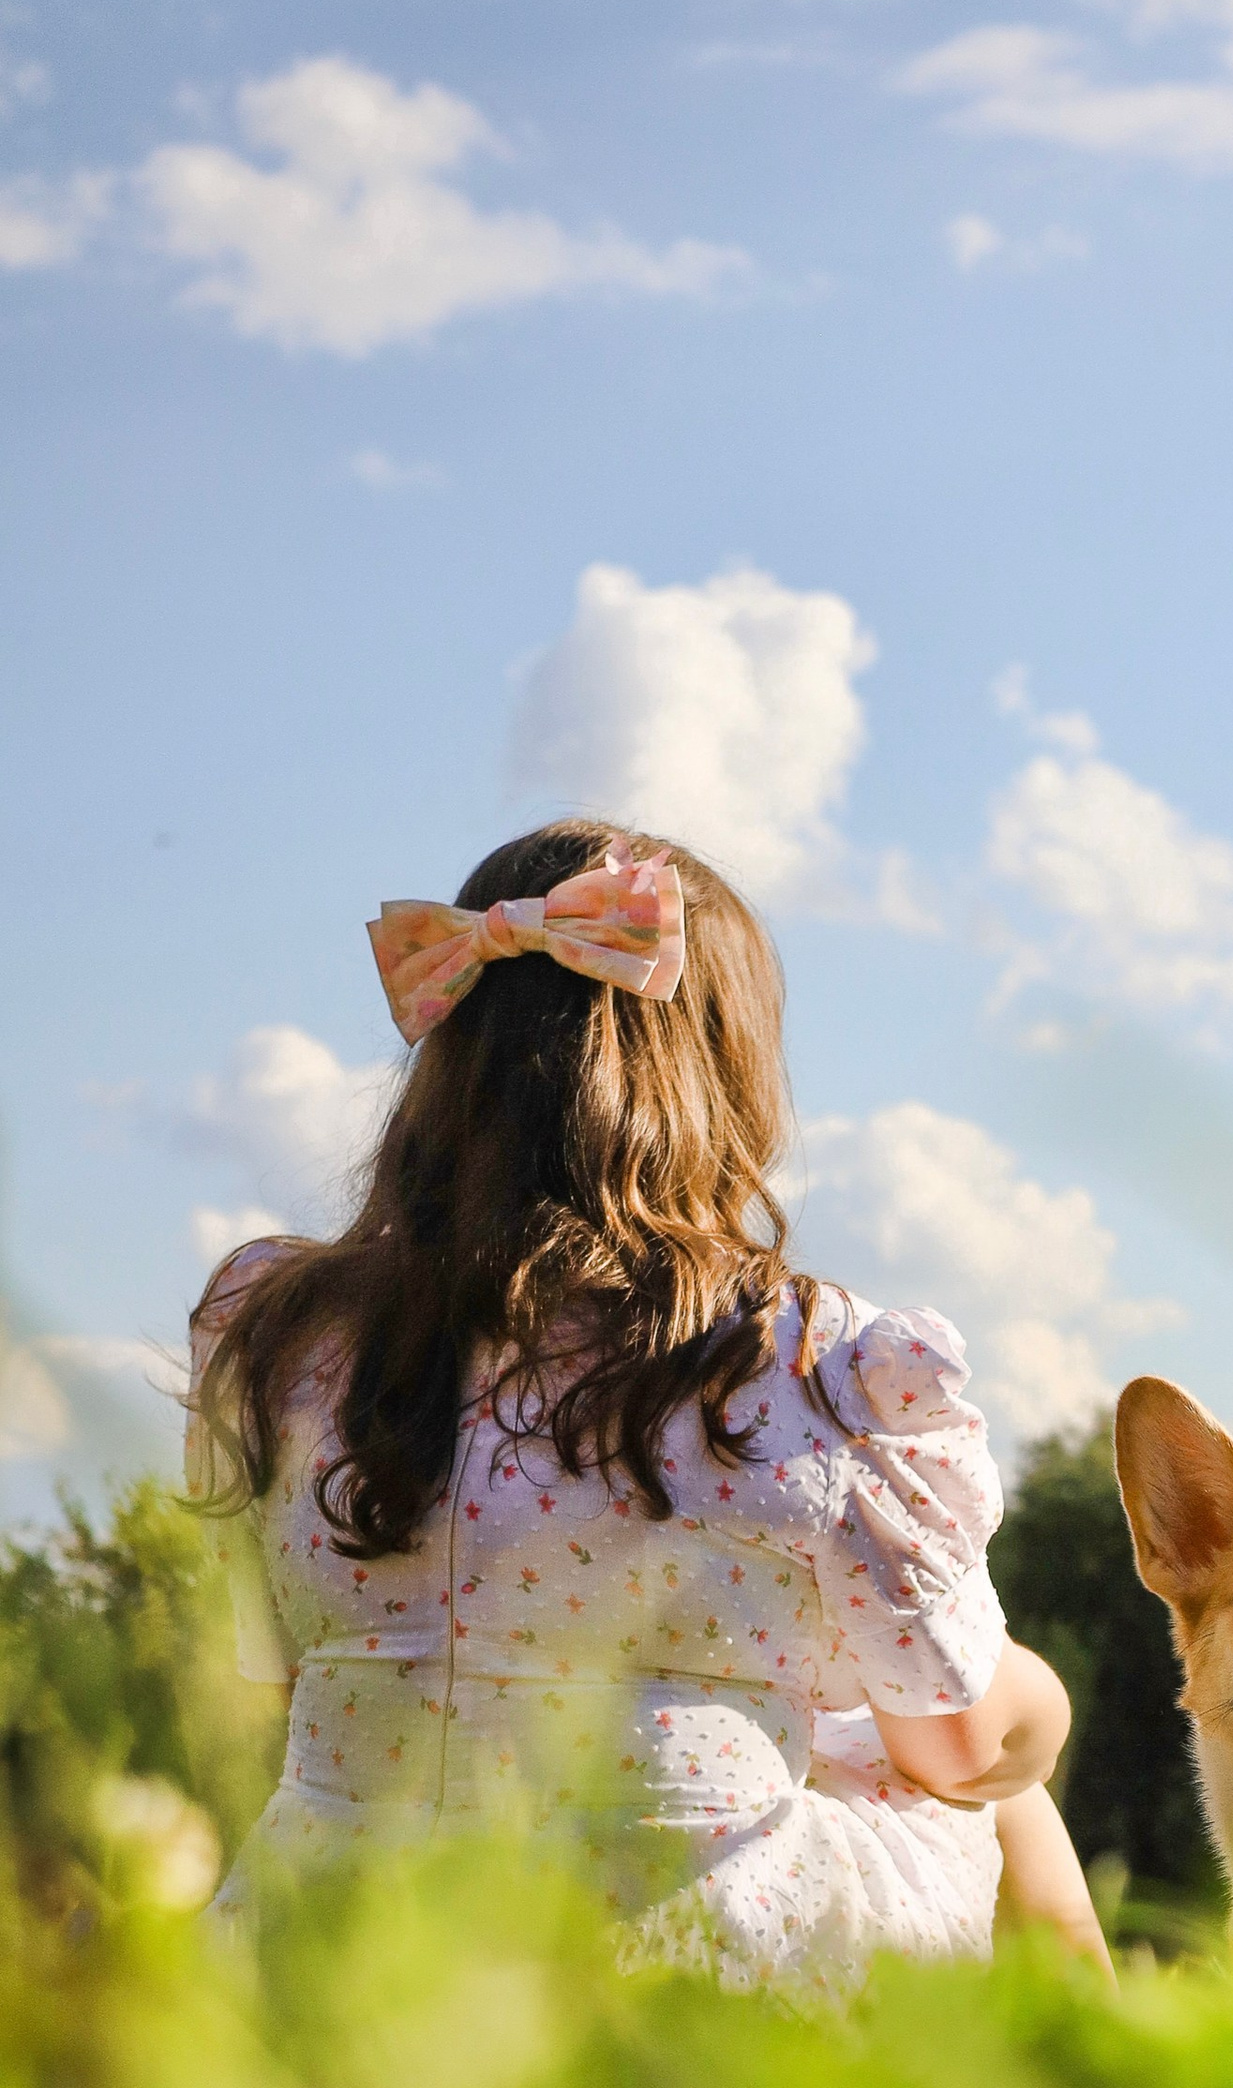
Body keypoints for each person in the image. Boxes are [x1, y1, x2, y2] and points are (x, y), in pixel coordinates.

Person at [188, 817, 1110, 1993]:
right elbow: (960, 1742)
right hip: (685, 1949)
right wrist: (1037, 1706)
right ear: (726, 1077)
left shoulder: (277, 1336)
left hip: (325, 1929)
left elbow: (261, 1673)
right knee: (1001, 1786)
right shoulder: (802, 1358)